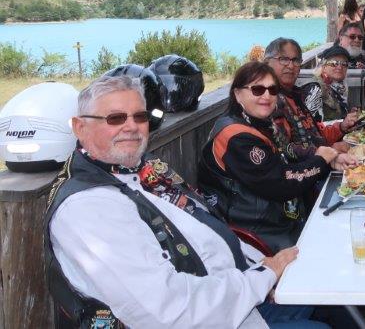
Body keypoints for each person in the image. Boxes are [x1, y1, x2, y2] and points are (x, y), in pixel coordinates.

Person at [45, 75, 326, 328]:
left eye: (140, 116)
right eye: (115, 118)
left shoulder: (138, 172)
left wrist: (261, 266)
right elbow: (168, 311)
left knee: (323, 288)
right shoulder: (88, 208)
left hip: (239, 290)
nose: (131, 127)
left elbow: (205, 229)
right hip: (213, 314)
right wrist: (264, 276)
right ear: (80, 127)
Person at [199, 61, 355, 252]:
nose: (266, 96)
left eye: (272, 90)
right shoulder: (236, 137)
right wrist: (321, 160)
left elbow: (288, 156)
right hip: (256, 232)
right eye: (257, 89)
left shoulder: (259, 122)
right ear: (237, 94)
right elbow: (279, 183)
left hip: (281, 216)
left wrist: (330, 160)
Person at [263, 38, 358, 152]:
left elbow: (314, 134)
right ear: (267, 63)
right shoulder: (267, 101)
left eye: (296, 60)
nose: (291, 66)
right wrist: (328, 152)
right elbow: (284, 152)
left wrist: (341, 127)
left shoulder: (295, 96)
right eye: (283, 59)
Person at [301, 45, 351, 123]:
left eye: (344, 64)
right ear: (324, 66)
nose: (340, 67)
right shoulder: (315, 89)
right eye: (334, 63)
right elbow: (311, 125)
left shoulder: (336, 88)